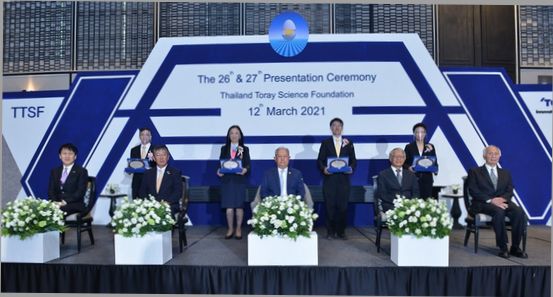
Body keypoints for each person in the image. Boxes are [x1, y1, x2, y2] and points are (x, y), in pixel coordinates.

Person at [467, 145, 528, 259]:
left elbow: (510, 190)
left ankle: (515, 247)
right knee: (498, 211)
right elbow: (473, 191)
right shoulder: (475, 171)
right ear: (484, 156)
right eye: (490, 153)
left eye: (496, 154)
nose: (493, 156)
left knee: (519, 212)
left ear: (499, 156)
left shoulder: (506, 173)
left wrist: (502, 199)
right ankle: (503, 247)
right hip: (483, 203)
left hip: (502, 201)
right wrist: (492, 200)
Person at [317, 117, 356, 240]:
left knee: (343, 207)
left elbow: (354, 160)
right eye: (334, 125)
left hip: (344, 180)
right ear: (331, 128)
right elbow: (320, 160)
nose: (337, 127)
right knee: (330, 206)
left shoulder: (349, 143)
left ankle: (341, 232)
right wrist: (324, 169)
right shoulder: (325, 143)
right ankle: (330, 232)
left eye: (339, 125)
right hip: (330, 180)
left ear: (342, 128)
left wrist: (351, 168)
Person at [216, 125, 250, 240]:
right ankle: (230, 229)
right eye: (232, 133)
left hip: (239, 180)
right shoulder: (224, 148)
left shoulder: (244, 149)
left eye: (236, 133)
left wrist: (245, 170)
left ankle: (239, 229)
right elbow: (221, 163)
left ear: (240, 135)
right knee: (229, 208)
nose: (234, 135)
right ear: (229, 135)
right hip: (227, 181)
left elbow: (248, 164)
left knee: (239, 207)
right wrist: (219, 170)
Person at [139, 145, 183, 218]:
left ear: (168, 157)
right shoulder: (148, 173)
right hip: (150, 204)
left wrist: (166, 203)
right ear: (154, 158)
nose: (161, 157)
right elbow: (142, 191)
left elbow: (178, 192)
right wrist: (149, 203)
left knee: (166, 212)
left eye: (164, 154)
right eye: (158, 155)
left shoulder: (175, 173)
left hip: (169, 204)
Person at [48, 143, 89, 216]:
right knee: (44, 209)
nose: (67, 156)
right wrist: (55, 202)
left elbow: (80, 192)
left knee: (59, 210)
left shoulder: (81, 171)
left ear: (75, 156)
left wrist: (64, 202)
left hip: (74, 204)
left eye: (70, 154)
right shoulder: (55, 171)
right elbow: (51, 190)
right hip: (57, 203)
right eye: (64, 153)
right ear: (60, 156)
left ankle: (57, 227)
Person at [375, 148, 420, 213]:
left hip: (409, 207)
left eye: (401, 157)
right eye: (395, 157)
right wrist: (398, 202)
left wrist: (409, 204)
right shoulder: (383, 174)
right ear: (390, 159)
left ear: (404, 159)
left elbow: (416, 193)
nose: (398, 159)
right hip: (391, 206)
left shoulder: (411, 175)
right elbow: (382, 194)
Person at [404, 122, 438, 199]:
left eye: (422, 132)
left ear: (425, 134)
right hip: (413, 179)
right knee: (414, 202)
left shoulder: (430, 146)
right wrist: (409, 168)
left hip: (427, 180)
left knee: (426, 203)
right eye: (417, 132)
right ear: (414, 134)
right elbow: (404, 163)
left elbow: (435, 161)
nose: (420, 134)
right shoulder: (409, 147)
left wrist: (435, 170)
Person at [130, 128, 155, 199]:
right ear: (139, 136)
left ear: (150, 137)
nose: (144, 137)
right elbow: (133, 164)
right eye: (142, 134)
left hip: (150, 183)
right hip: (136, 183)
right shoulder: (134, 150)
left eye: (147, 135)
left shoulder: (155, 149)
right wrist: (130, 169)